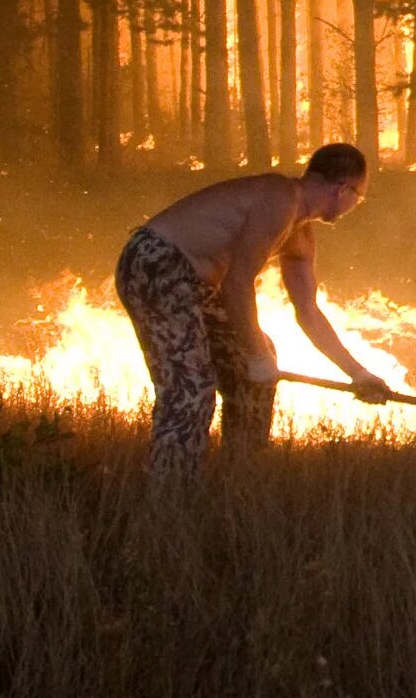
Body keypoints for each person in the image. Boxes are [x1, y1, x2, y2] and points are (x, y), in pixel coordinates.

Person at [114, 142, 387, 485]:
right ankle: (169, 498)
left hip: (195, 286)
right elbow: (237, 282)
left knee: (256, 361)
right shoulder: (279, 199)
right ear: (343, 188)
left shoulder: (300, 235)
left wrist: (357, 373)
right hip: (156, 263)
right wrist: (255, 355)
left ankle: (240, 477)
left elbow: (308, 312)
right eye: (359, 197)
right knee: (192, 388)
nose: (354, 205)